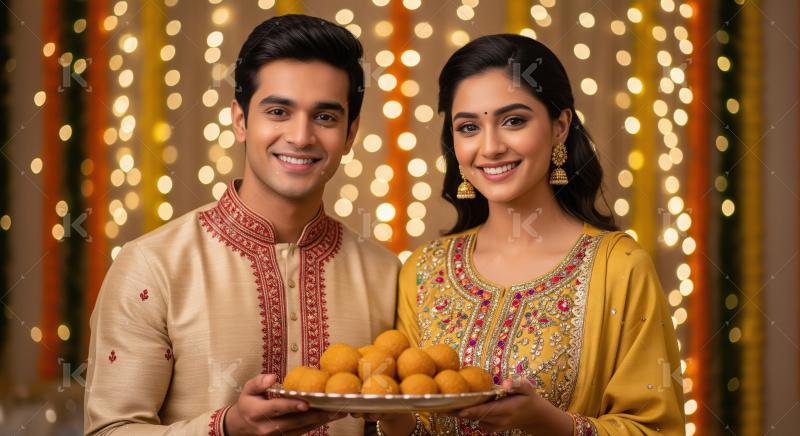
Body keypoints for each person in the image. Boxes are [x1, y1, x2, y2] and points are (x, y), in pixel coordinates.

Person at [84, 15, 400, 436]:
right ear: (240, 120)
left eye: (325, 117)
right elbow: (111, 430)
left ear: (350, 133)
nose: (301, 136)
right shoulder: (152, 266)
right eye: (278, 111)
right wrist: (227, 427)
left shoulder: (385, 274)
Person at [376, 34, 685, 435]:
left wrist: (549, 422)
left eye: (513, 121)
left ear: (560, 126)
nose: (490, 147)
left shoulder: (619, 269)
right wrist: (389, 416)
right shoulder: (423, 270)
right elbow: (414, 420)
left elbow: (656, 430)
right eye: (468, 127)